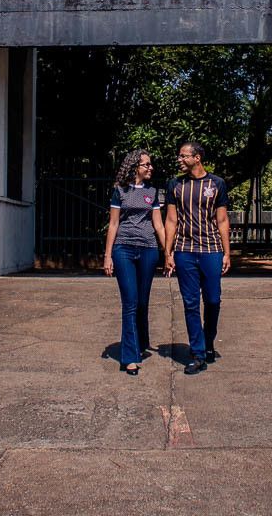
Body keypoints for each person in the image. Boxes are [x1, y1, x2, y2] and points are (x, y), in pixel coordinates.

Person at [164, 141, 231, 375]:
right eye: (179, 156)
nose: (179, 160)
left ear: (197, 158)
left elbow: (222, 220)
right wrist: (168, 252)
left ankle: (208, 339)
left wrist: (227, 252)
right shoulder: (175, 185)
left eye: (184, 156)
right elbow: (171, 220)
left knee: (213, 300)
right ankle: (198, 353)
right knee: (191, 303)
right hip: (184, 250)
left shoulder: (217, 184)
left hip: (211, 250)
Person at [104, 149, 165, 376]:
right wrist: (108, 255)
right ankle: (129, 357)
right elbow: (113, 224)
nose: (151, 168)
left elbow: (158, 225)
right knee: (129, 302)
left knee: (141, 302)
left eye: (151, 164)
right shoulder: (120, 191)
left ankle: (140, 341)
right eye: (146, 164)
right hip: (124, 250)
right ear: (134, 167)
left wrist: (168, 253)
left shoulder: (153, 192)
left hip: (148, 250)